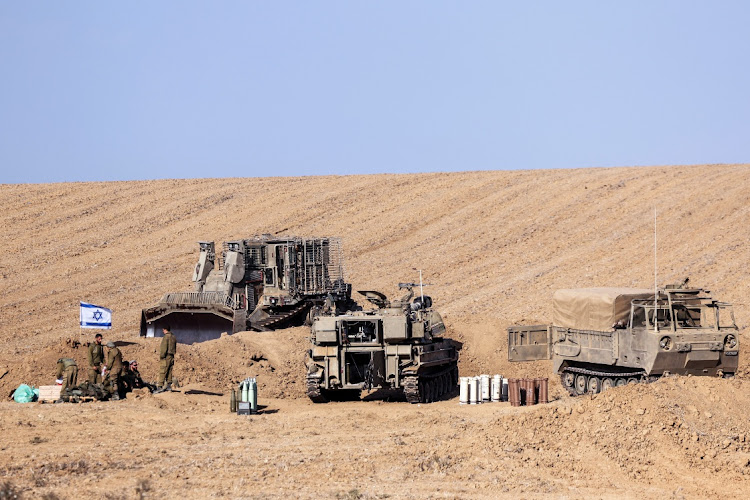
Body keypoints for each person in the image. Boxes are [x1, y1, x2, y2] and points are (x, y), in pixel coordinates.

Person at [157, 326, 177, 391]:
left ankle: (160, 386)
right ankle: (169, 385)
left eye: (163, 330)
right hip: (172, 356)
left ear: (165, 329)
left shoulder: (166, 337)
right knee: (169, 371)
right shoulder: (173, 337)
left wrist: (162, 356)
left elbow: (164, 348)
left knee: (163, 370)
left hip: (166, 356)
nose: (163, 331)